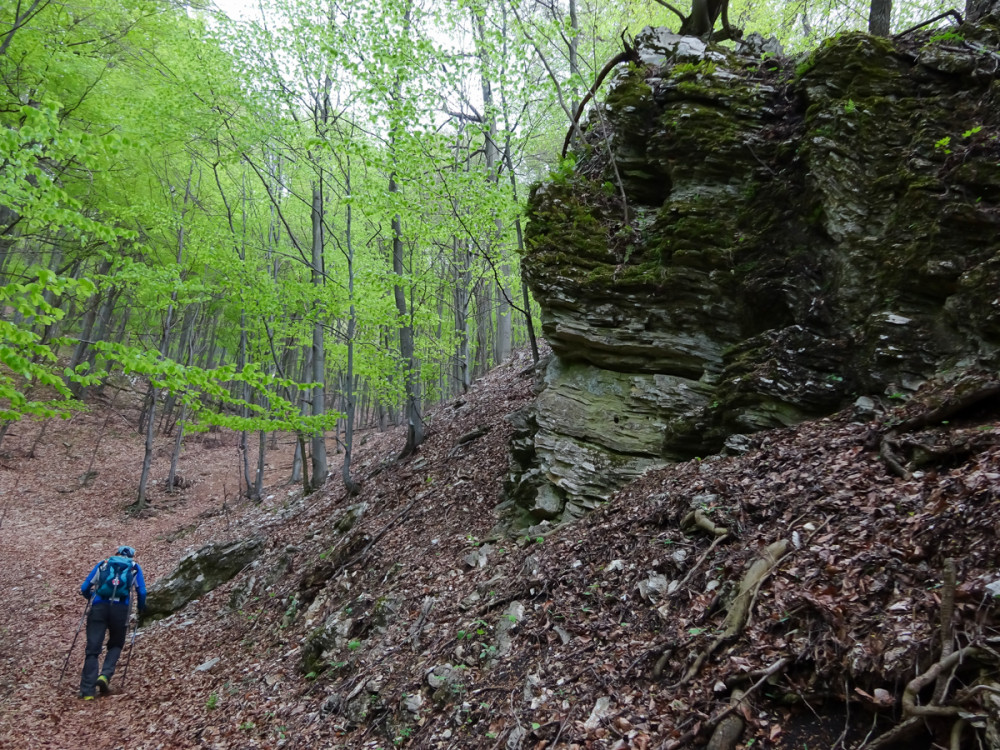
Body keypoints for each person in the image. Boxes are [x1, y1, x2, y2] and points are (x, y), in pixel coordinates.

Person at [78, 545, 147, 699]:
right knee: (116, 644)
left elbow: (84, 588)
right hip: (120, 609)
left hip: (99, 608)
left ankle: (88, 691)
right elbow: (141, 592)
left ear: (116, 553)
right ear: (132, 556)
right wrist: (141, 608)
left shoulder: (104, 564)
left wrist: (92, 597)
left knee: (93, 649)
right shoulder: (134, 568)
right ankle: (105, 675)